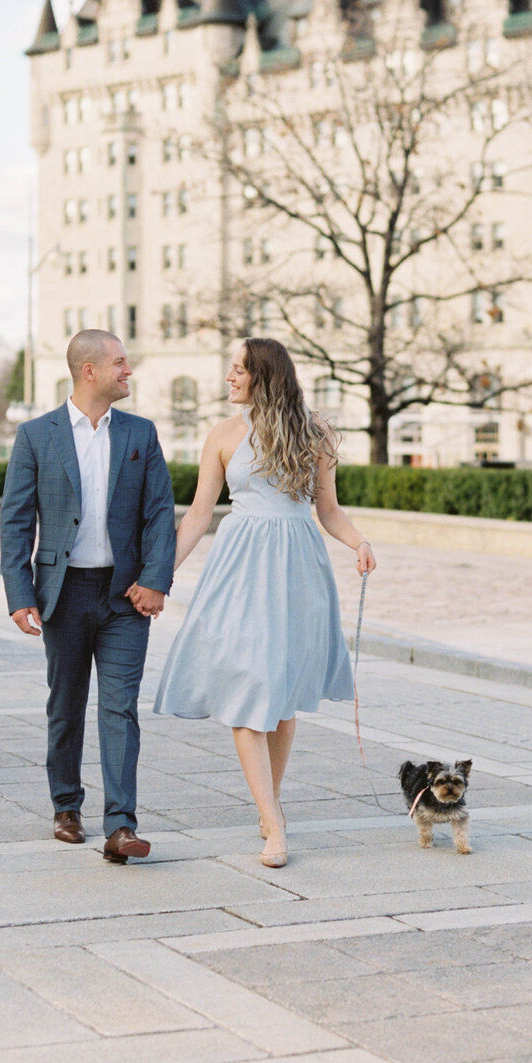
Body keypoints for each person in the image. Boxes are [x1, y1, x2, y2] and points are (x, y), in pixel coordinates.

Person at [154, 337, 376, 867]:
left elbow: (328, 509)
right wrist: (159, 578)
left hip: (298, 565)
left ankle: (267, 806)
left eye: (237, 369)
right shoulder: (223, 434)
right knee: (248, 685)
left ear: (264, 375)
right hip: (240, 566)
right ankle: (274, 824)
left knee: (280, 696)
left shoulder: (312, 431)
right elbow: (200, 514)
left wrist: (359, 543)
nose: (229, 378)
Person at [0, 330, 176, 863]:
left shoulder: (141, 434)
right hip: (64, 593)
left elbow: (160, 512)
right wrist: (18, 592)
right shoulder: (37, 435)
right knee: (67, 706)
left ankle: (122, 826)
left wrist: (156, 580)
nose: (129, 372)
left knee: (120, 708)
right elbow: (15, 519)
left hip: (126, 597)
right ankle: (66, 806)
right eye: (121, 363)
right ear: (89, 371)